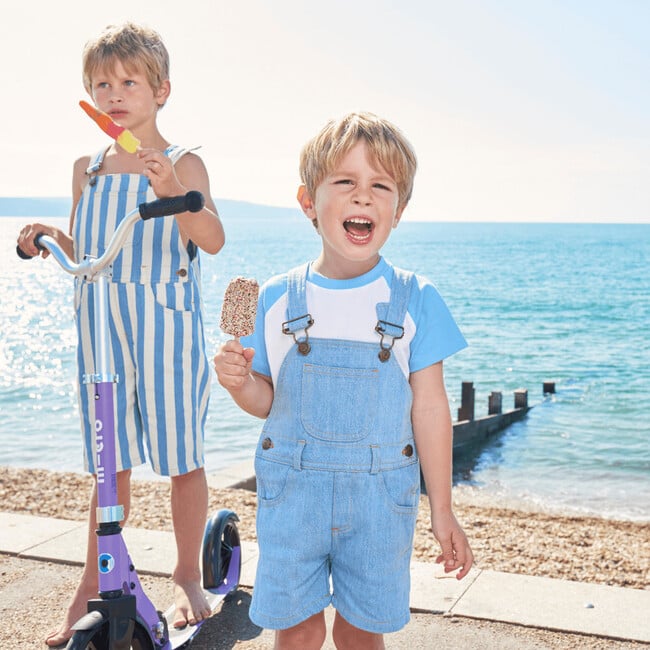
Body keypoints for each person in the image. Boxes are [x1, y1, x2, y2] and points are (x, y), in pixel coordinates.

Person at [213, 112, 474, 649]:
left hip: (382, 500)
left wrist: (442, 509)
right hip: (293, 496)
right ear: (309, 202)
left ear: (398, 210)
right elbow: (267, 402)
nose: (363, 197)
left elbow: (429, 409)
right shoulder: (278, 298)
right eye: (345, 182)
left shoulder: (416, 299)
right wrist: (240, 383)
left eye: (380, 186)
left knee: (361, 633)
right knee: (299, 630)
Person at [17, 22, 225, 647]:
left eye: (128, 81)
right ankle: (91, 582)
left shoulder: (184, 160)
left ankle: (188, 574)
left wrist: (174, 192)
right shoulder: (89, 167)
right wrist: (53, 236)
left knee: (181, 456)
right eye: (101, 83)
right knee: (111, 463)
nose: (114, 93)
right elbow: (94, 250)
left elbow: (212, 239)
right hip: (100, 323)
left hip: (163, 325)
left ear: (161, 90)